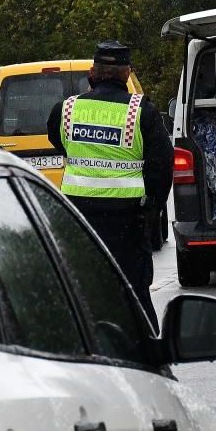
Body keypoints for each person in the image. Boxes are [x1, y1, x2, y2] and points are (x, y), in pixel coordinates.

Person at [47, 40, 172, 327]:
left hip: (80, 221)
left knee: (83, 294)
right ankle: (146, 348)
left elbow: (60, 142)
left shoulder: (66, 110)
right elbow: (161, 168)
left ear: (92, 73)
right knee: (135, 297)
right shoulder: (142, 112)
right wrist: (153, 210)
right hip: (128, 223)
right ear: (127, 74)